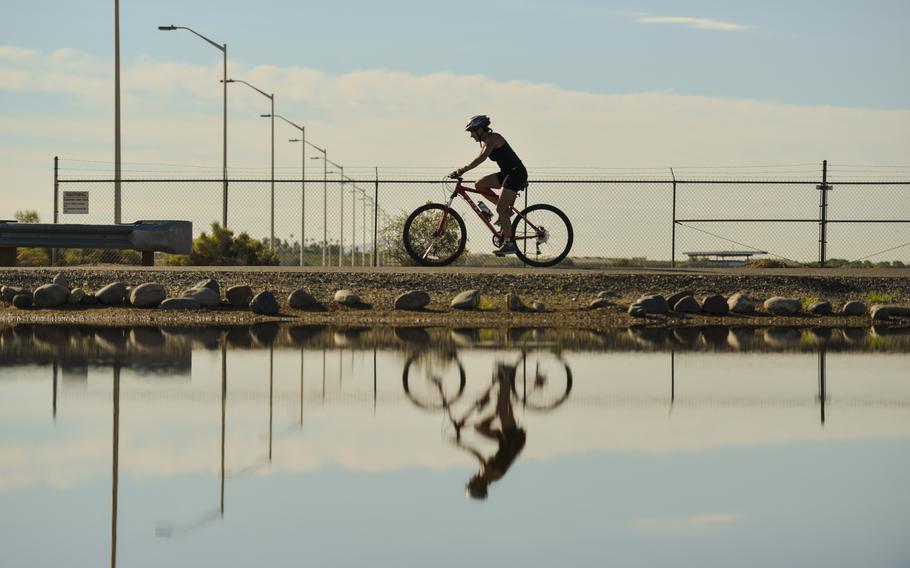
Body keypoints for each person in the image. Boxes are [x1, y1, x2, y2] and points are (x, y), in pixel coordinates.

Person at [450, 115, 529, 256]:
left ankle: (509, 243)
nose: (471, 136)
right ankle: (505, 211)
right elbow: (478, 158)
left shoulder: (493, 139)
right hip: (507, 173)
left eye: (472, 132)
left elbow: (481, 158)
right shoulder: (487, 141)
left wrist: (462, 170)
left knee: (500, 208)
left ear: (480, 129)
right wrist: (462, 170)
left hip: (516, 174)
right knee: (479, 184)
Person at [451, 363, 527, 500]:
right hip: (512, 439)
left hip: (507, 441)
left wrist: (465, 426)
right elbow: (477, 454)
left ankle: (500, 404)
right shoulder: (487, 474)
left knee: (479, 428)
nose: (471, 479)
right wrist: (459, 444)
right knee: (503, 405)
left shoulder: (488, 475)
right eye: (472, 483)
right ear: (479, 485)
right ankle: (508, 375)